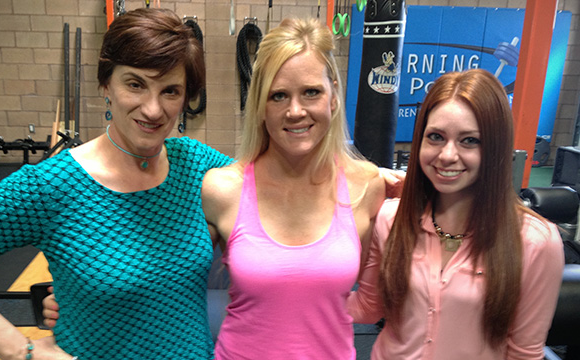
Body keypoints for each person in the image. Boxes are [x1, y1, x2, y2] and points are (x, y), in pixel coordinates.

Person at [0, 8, 232, 360]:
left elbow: (277, 192)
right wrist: (20, 350)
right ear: (106, 83)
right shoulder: (50, 187)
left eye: (170, 91)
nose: (153, 110)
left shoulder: (197, 164)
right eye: (135, 84)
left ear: (186, 98)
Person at [348, 69, 565, 359]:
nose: (447, 155)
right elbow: (367, 307)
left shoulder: (535, 242)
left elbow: (524, 353)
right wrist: (288, 289)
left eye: (469, 140)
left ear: (495, 147)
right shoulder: (392, 218)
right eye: (436, 137)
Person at [201, 18, 385, 359]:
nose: (295, 111)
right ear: (260, 106)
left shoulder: (366, 186)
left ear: (333, 96)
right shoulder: (223, 189)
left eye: (311, 92)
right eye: (278, 96)